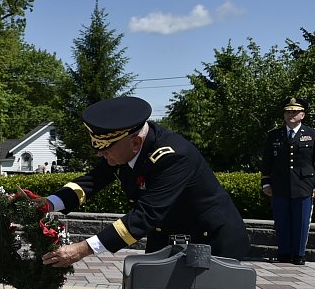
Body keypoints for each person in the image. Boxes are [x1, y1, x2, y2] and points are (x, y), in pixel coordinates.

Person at [39, 96, 250, 268]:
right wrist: (47, 204)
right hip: (168, 238)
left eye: (106, 150)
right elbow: (92, 181)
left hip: (211, 243)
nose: (101, 156)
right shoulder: (124, 148)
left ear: (136, 142)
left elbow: (145, 215)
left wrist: (82, 249)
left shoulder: (174, 157)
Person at [261, 97, 314, 264]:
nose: (291, 114)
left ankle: (298, 255)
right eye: (288, 111)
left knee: (301, 221)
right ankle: (283, 253)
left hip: (304, 185)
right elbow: (267, 161)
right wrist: (266, 182)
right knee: (282, 221)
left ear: (302, 115)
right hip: (280, 185)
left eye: (295, 112)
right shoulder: (274, 135)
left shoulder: (312, 134)